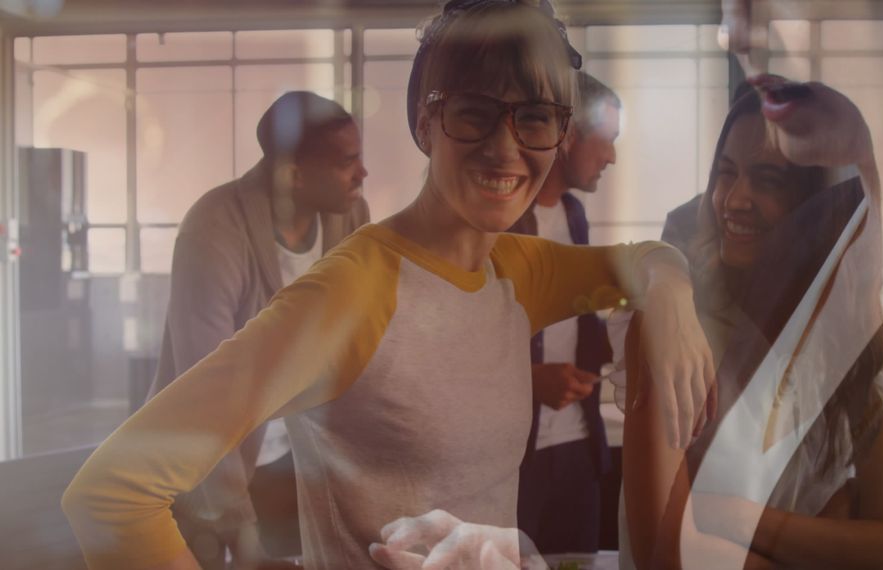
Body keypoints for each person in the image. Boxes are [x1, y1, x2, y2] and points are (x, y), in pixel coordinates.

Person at [61, 2, 714, 569]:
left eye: (535, 118)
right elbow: (112, 493)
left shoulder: (513, 269)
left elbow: (640, 259)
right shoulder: (354, 291)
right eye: (474, 114)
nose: (505, 148)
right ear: (425, 121)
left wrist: (672, 292)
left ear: (559, 133)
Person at [622, 79, 883, 569]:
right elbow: (669, 554)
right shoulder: (680, 327)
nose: (734, 199)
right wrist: (827, 541)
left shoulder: (873, 340)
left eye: (768, 181)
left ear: (829, 200)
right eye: (725, 175)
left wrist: (728, 516)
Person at [147, 90, 370, 568]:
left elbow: (360, 332)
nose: (363, 174)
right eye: (348, 162)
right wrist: (240, 532)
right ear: (294, 174)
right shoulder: (214, 227)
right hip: (208, 459)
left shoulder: (350, 214)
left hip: (303, 452)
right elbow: (204, 392)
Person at [508, 70, 620, 555]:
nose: (612, 156)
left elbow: (575, 320)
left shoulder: (574, 214)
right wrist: (530, 379)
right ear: (569, 135)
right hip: (518, 455)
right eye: (607, 140)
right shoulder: (502, 220)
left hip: (579, 443)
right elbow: (453, 348)